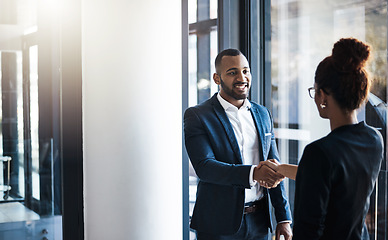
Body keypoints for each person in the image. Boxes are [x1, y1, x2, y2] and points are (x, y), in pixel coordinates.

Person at [184, 48, 292, 240]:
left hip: (259, 222)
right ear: (217, 78)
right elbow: (205, 167)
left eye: (245, 70)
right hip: (218, 224)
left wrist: (283, 218)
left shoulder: (263, 113)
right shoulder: (198, 116)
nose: (242, 77)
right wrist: (253, 173)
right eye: (232, 72)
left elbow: (274, 165)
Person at [292, 38, 384, 239]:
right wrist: (284, 169)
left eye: (314, 91)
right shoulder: (374, 140)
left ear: (323, 96)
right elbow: (339, 183)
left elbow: (307, 230)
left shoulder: (319, 152)